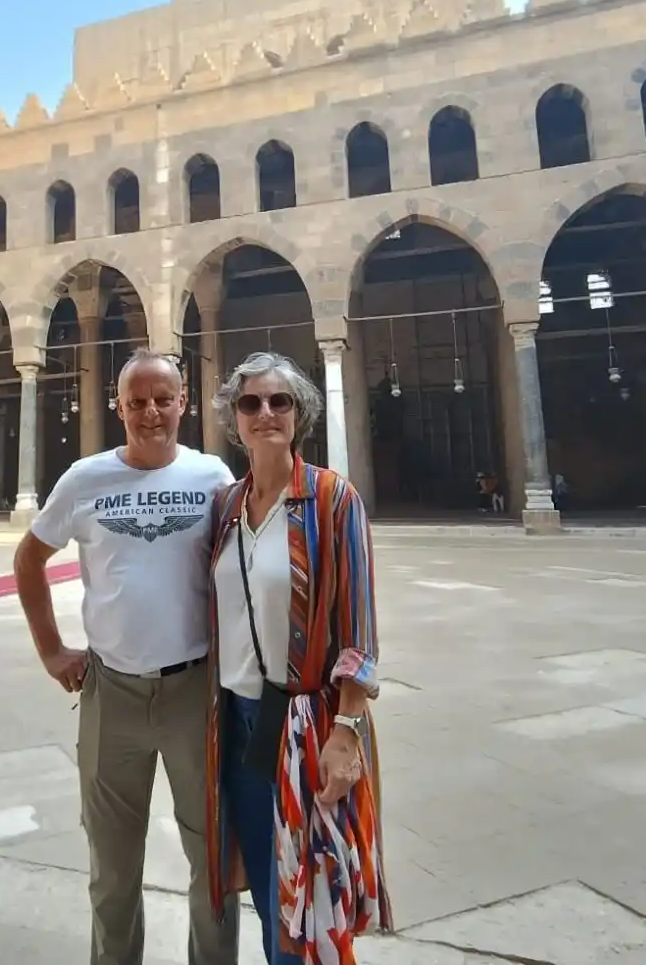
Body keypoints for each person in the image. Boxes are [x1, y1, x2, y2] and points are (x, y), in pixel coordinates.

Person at [13, 347, 240, 965]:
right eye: (136, 402)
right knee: (112, 869)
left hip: (193, 691)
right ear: (119, 409)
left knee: (212, 860)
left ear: (183, 403)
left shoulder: (212, 478)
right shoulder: (85, 480)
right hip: (112, 694)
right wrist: (53, 651)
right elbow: (28, 559)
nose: (151, 412)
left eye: (163, 399)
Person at [204, 351, 393, 964]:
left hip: (305, 727)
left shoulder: (332, 500)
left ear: (299, 413)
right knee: (266, 887)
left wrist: (347, 730)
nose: (266, 413)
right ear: (235, 418)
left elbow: (358, 631)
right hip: (235, 723)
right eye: (251, 403)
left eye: (279, 401)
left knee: (310, 893)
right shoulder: (226, 507)